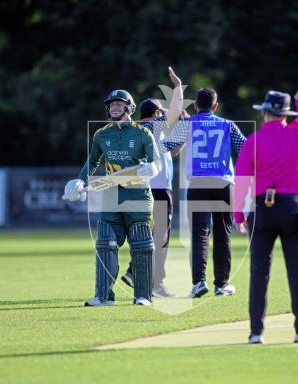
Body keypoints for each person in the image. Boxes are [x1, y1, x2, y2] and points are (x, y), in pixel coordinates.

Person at [63, 88, 162, 306]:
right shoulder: (101, 134)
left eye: (120, 104)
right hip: (111, 196)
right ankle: (103, 296)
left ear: (130, 108)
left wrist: (153, 168)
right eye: (112, 104)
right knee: (105, 243)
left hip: (138, 195)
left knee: (141, 245)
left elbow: (157, 161)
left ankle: (143, 295)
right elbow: (93, 161)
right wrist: (81, 180)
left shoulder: (142, 133)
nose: (115, 107)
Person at [234, 84, 298, 344]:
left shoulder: (252, 141)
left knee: (259, 273)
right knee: (297, 271)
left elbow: (241, 180)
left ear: (264, 113)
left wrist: (239, 215)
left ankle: (256, 332)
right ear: (285, 114)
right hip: (292, 208)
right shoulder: (296, 134)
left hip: (261, 209)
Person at [163, 86, 246, 298]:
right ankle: (221, 283)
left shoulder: (188, 124)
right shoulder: (227, 125)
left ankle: (199, 282)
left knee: (199, 234)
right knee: (222, 233)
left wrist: (182, 123)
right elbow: (246, 149)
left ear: (196, 105)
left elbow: (168, 148)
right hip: (223, 183)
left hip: (198, 184)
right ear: (215, 106)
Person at [121, 68, 188, 299]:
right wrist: (178, 87)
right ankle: (156, 285)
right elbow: (177, 113)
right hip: (159, 190)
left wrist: (182, 128)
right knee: (160, 238)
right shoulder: (155, 128)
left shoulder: (141, 131)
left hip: (142, 190)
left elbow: (173, 150)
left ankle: (133, 272)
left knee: (148, 236)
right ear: (157, 113)